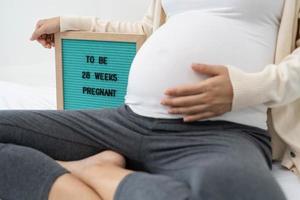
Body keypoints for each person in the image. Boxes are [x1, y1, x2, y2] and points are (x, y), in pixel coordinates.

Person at [1, 0, 300, 199]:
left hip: (222, 132)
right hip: (126, 122)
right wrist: (71, 22)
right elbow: (147, 30)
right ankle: (85, 179)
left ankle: (96, 173)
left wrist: (245, 88)